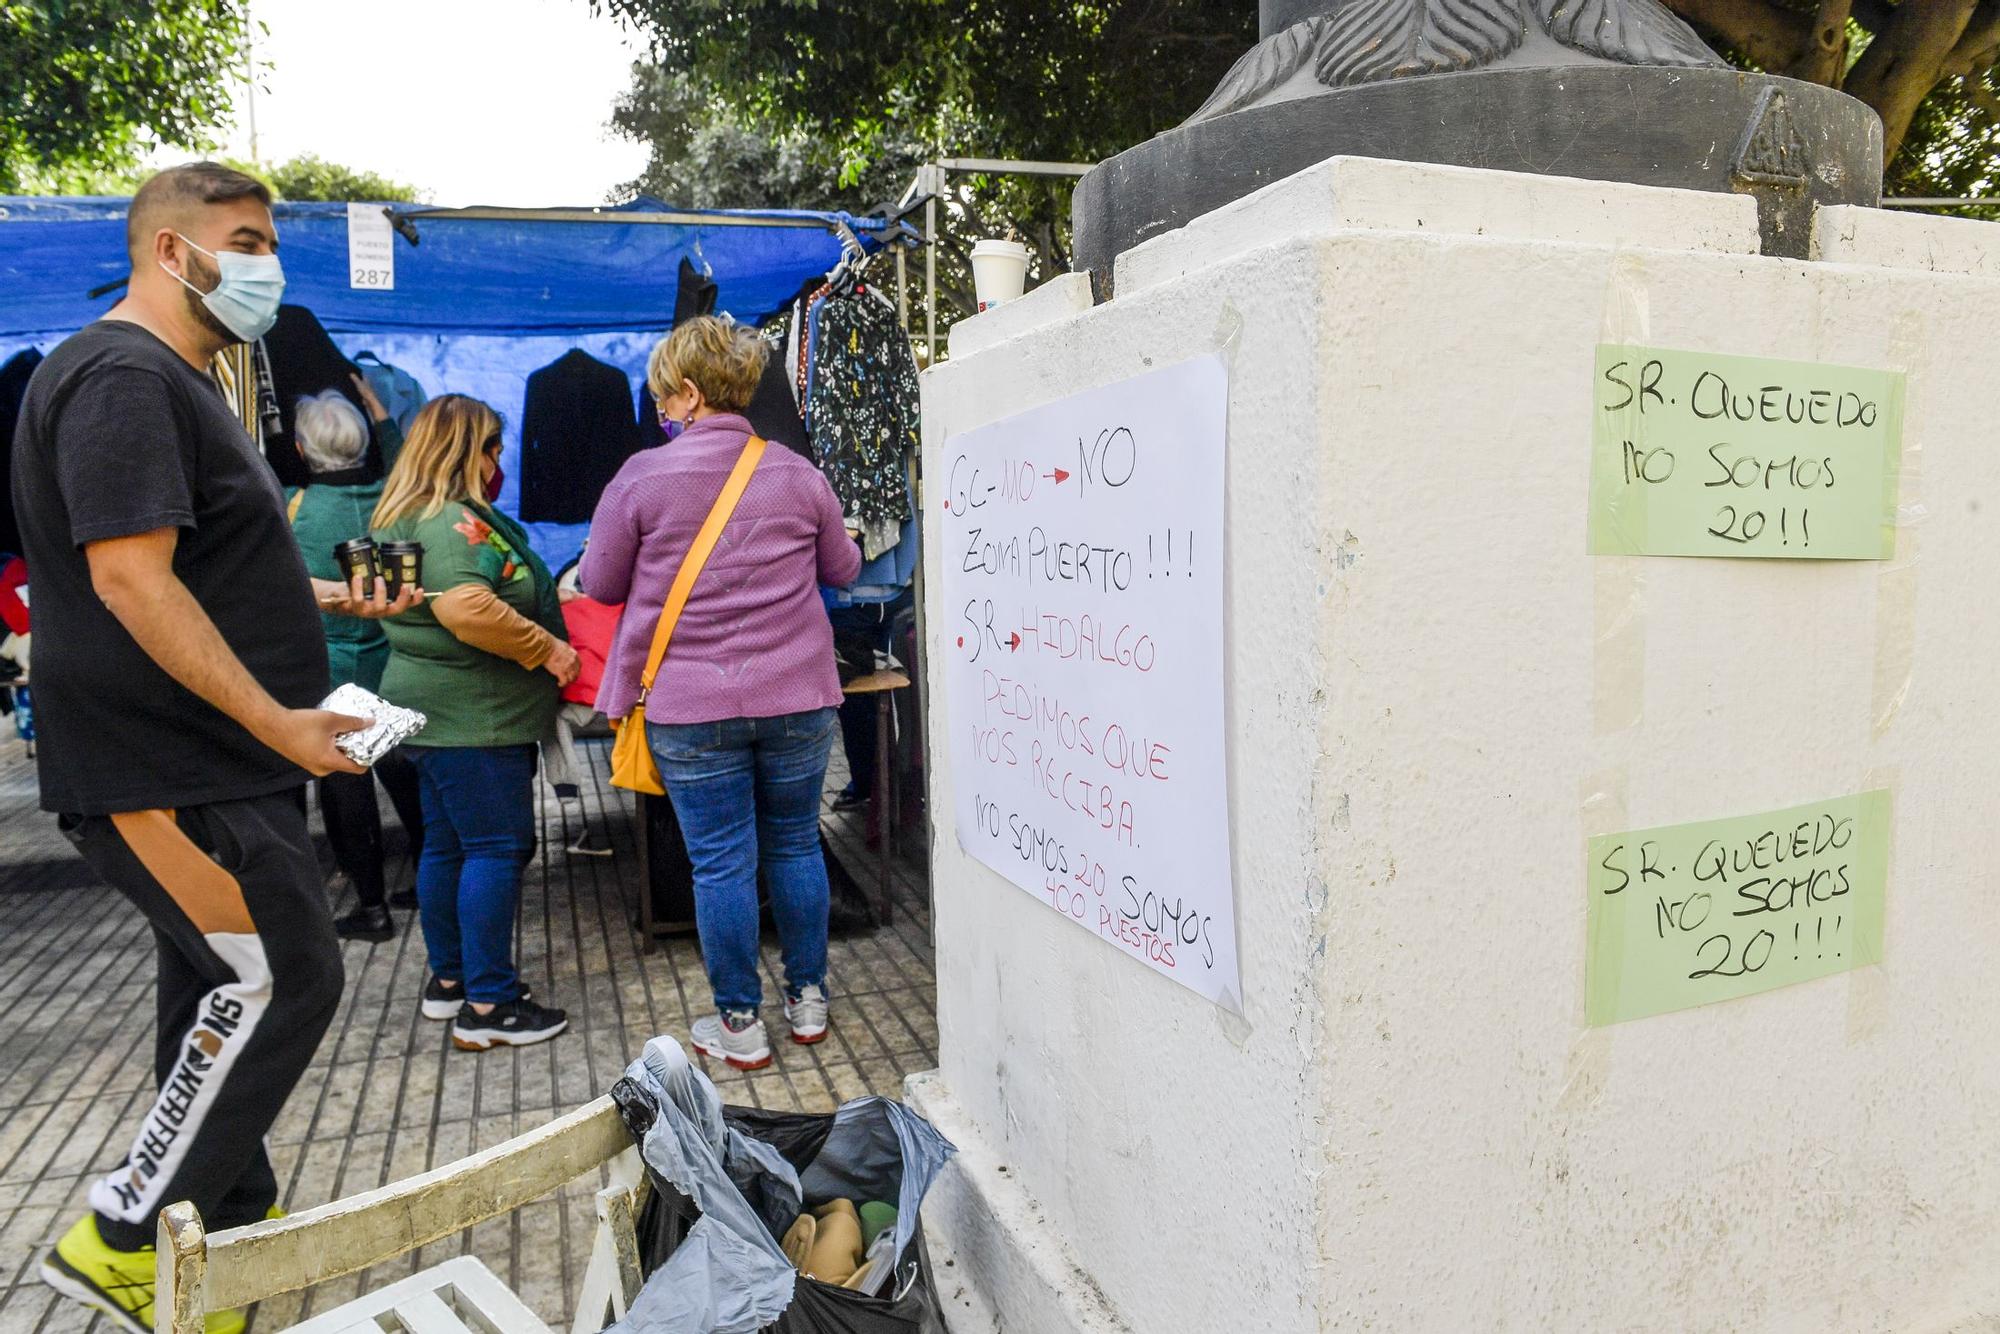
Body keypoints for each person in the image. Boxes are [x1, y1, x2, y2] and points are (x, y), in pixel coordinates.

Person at [10, 161, 419, 1333]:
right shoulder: (125, 375)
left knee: (214, 993)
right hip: (168, 765)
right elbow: (131, 578)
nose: (263, 267)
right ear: (168, 250)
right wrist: (280, 718)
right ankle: (126, 1234)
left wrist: (326, 614)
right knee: (285, 970)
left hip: (210, 762)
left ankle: (215, 1256)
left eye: (269, 244)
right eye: (242, 239)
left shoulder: (178, 383)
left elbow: (198, 568)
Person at [581, 316, 861, 1071]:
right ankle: (808, 999)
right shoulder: (798, 473)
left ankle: (739, 1022)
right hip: (799, 697)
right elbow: (843, 570)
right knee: (797, 842)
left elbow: (600, 582)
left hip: (689, 707)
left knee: (722, 864)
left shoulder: (640, 477)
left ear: (692, 393)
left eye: (665, 396)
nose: (661, 410)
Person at [372, 394, 577, 1050]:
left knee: (446, 844)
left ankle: (451, 981)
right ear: (467, 452)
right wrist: (549, 647)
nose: (499, 462)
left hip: (429, 710)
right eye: (492, 448)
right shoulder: (452, 525)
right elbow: (466, 606)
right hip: (474, 718)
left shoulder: (402, 513)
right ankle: (489, 1008)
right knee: (497, 847)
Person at [287, 384, 427, 941]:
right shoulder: (391, 496)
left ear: (300, 450)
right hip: (392, 653)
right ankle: (425, 879)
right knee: (404, 770)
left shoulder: (292, 506)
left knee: (347, 783)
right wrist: (382, 415)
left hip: (331, 661)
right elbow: (401, 458)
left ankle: (371, 908)